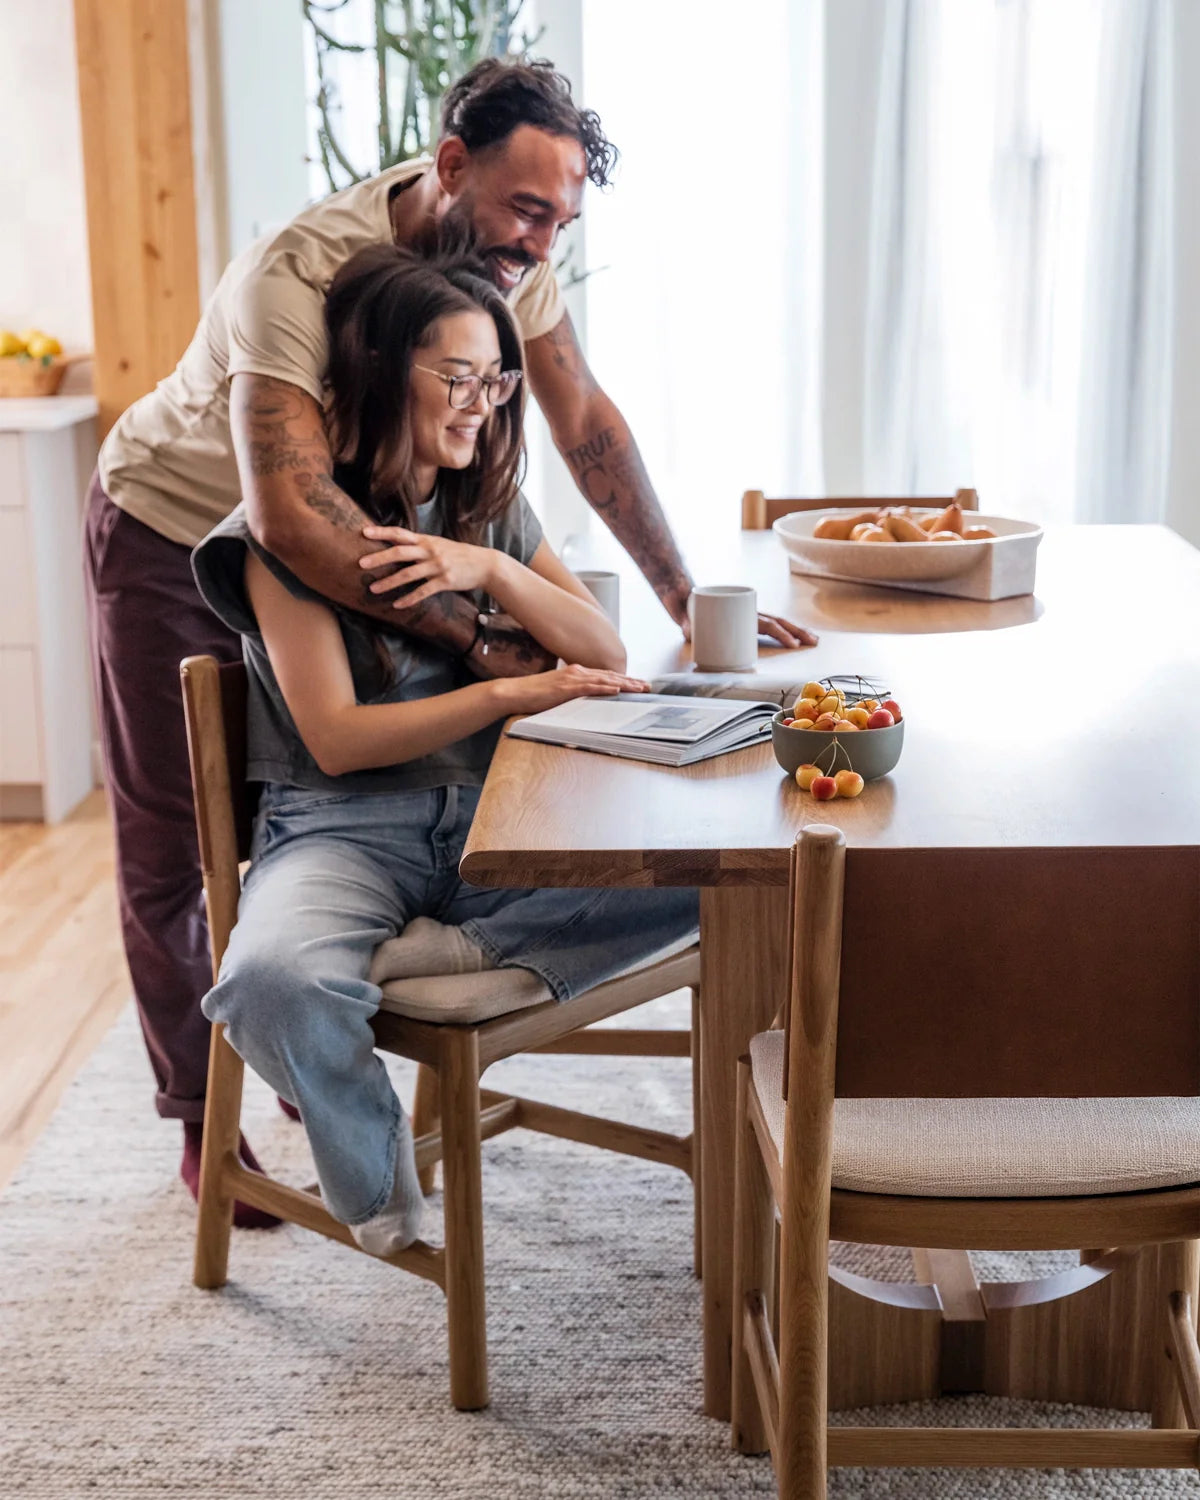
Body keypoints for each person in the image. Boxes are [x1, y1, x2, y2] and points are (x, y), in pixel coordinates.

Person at [83, 55, 812, 1218]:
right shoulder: (297, 275)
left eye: (562, 221)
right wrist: (485, 646)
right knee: (186, 840)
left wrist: (680, 597)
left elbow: (583, 421)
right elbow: (294, 520)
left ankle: (327, 1021)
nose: (542, 241)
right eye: (527, 210)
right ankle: (200, 1116)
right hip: (181, 524)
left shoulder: (508, 265)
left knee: (719, 873)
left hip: (361, 535)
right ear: (453, 165)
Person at [192, 244, 699, 1253]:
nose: (481, 406)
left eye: (495, 381)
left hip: (496, 822)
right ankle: (378, 1185)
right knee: (266, 983)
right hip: (342, 831)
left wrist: (490, 570)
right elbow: (337, 740)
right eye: (457, 378)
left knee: (736, 875)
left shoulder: (486, 505)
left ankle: (467, 950)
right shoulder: (284, 535)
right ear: (382, 372)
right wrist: (508, 691)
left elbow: (602, 649)